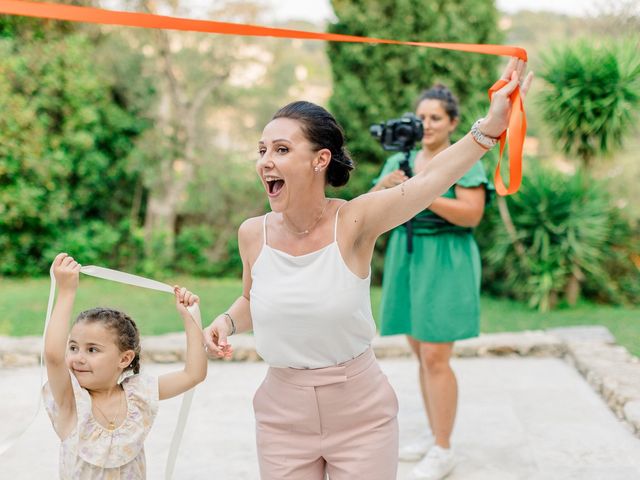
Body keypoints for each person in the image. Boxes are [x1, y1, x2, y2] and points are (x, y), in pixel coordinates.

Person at [204, 59, 532, 480]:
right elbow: (252, 299)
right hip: (280, 416)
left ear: (321, 159)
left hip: (360, 417)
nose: (266, 160)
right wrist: (227, 322)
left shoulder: (354, 222)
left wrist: (489, 127)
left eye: (282, 149)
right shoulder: (252, 234)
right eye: (262, 150)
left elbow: (424, 185)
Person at [370, 83, 493, 479]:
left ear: (453, 122)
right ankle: (434, 430)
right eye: (421, 117)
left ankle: (444, 448)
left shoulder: (463, 160)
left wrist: (419, 191)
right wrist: (385, 188)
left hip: (446, 258)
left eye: (435, 118)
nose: (426, 124)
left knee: (437, 357)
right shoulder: (400, 160)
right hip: (408, 260)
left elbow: (471, 214)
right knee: (420, 352)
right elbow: (369, 210)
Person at [43, 252, 207, 479]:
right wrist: (67, 291)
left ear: (124, 359)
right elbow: (53, 356)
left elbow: (193, 374)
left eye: (92, 350)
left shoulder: (138, 393)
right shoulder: (71, 399)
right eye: (73, 347)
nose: (78, 357)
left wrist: (191, 317)